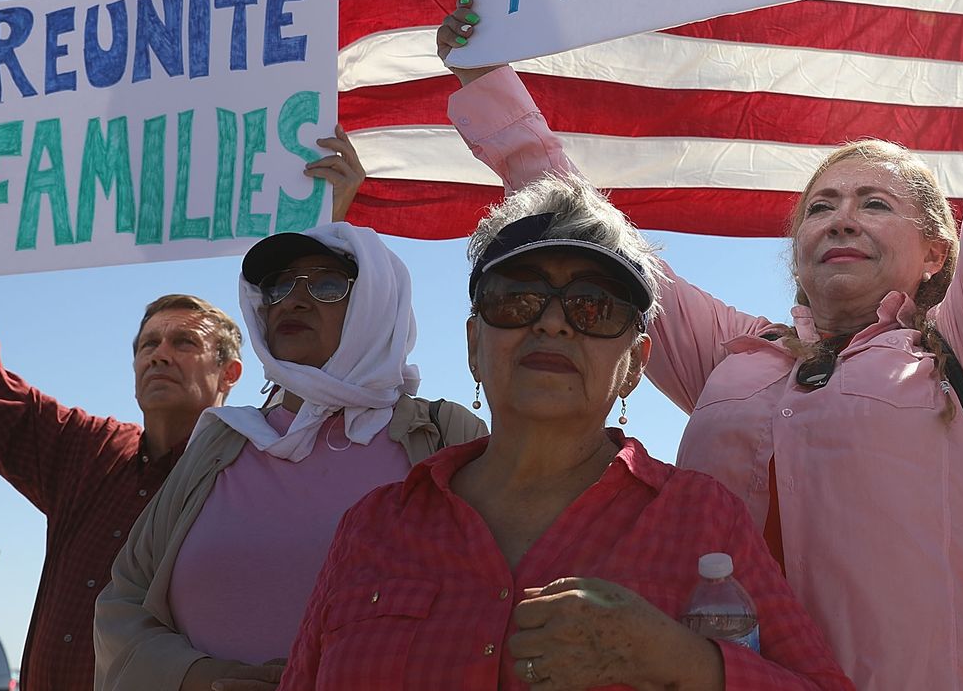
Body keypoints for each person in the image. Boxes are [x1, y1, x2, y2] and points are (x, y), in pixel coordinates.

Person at [434, 0, 963, 689]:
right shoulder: (729, 357)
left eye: (873, 204)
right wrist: (490, 87)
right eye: (820, 207)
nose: (840, 219)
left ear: (937, 253)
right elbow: (592, 236)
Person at [280, 175, 853, 690]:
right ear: (474, 344)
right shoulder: (375, 526)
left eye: (594, 307)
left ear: (634, 364)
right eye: (517, 299)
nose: (551, 322)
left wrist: (680, 660)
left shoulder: (701, 519)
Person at [0, 131, 360, 691]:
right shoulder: (84, 453)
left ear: (231, 372)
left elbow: (319, 374)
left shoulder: (259, 468)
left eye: (185, 343)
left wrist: (331, 224)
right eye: (147, 344)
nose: (160, 354)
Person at [93, 221, 486, 691]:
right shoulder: (222, 441)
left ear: (374, 303)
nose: (294, 301)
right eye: (279, 287)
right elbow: (123, 603)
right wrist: (198, 678)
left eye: (326, 284)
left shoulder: (443, 436)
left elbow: (495, 602)